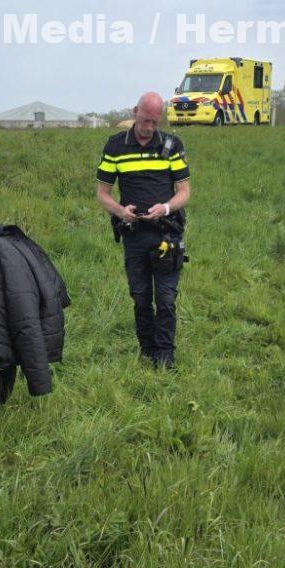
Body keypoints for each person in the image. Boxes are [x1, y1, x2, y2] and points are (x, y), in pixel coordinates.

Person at [95, 92, 191, 369]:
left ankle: (165, 356)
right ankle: (147, 350)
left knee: (166, 298)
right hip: (134, 233)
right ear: (135, 111)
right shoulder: (115, 146)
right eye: (145, 119)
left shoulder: (172, 145)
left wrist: (166, 207)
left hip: (166, 233)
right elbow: (103, 193)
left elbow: (184, 192)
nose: (149, 127)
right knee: (140, 298)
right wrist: (120, 211)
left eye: (154, 122)